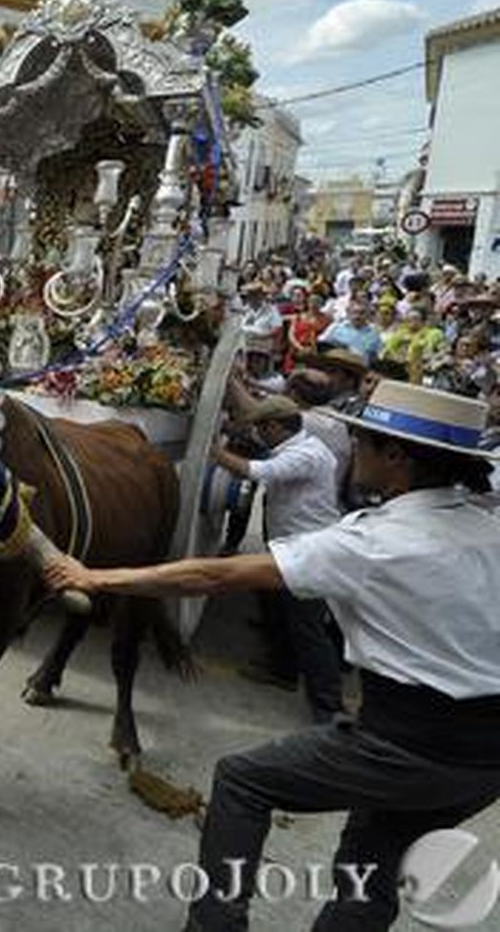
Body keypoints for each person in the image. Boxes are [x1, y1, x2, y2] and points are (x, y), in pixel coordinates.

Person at [47, 379, 500, 932]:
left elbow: (215, 575)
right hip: (485, 760)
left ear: (397, 457)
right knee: (373, 857)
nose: (351, 449)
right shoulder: (488, 525)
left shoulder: (375, 542)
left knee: (243, 781)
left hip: (408, 741)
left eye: (362, 441)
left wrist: (97, 576)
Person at [215, 396, 344, 723]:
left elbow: (255, 471)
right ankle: (282, 669)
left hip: (309, 551)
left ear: (274, 427)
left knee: (308, 627)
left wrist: (211, 450)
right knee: (273, 603)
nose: (258, 434)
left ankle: (329, 708)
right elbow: (256, 448)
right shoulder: (298, 445)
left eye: (261, 428)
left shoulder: (306, 455)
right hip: (288, 546)